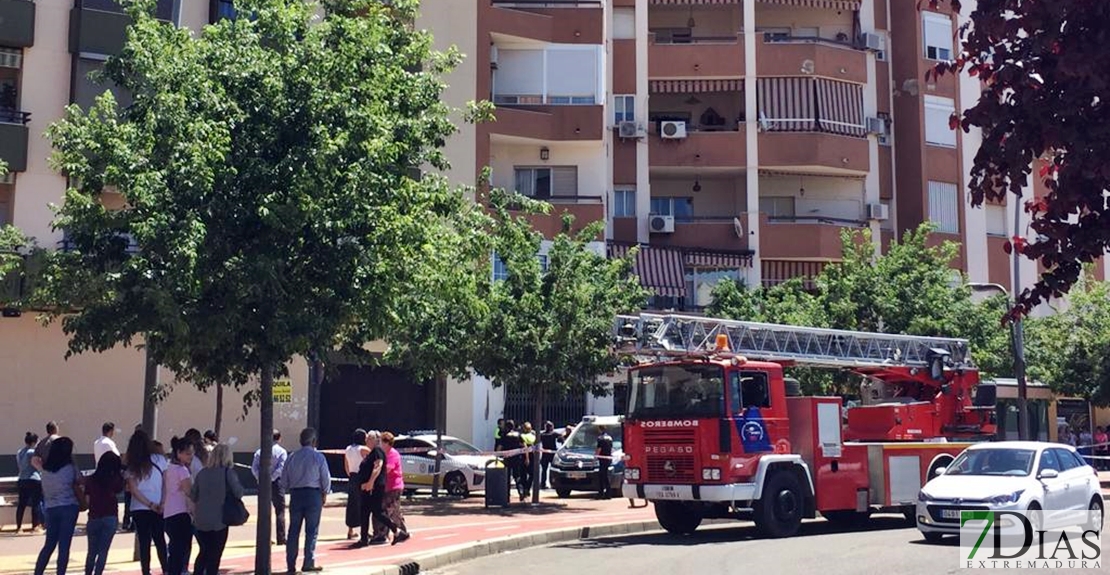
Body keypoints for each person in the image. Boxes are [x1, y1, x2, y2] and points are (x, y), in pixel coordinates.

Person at [281, 427, 331, 574]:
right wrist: (325, 493)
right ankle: (308, 561)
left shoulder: (292, 457)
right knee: (312, 530)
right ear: (314, 441)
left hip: (296, 494)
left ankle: (291, 564)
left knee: (293, 530)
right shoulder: (318, 457)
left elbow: (284, 480)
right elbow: (325, 479)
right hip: (313, 494)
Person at [34, 436, 83, 575]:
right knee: (64, 546)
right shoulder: (71, 468)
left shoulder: (45, 469)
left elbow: (35, 460)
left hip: (50, 507)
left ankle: (38, 572)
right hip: (69, 506)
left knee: (49, 544)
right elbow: (79, 481)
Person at [191, 444, 243, 575]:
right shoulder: (228, 472)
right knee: (215, 554)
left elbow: (193, 494)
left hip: (201, 519)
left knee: (204, 551)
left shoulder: (202, 473)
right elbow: (238, 492)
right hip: (219, 519)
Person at [125, 430, 168, 575]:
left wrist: (148, 504)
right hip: (158, 505)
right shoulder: (159, 460)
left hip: (139, 507)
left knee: (144, 541)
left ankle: (145, 571)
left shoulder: (132, 465)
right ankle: (166, 569)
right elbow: (165, 483)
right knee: (160, 539)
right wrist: (162, 503)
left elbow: (133, 490)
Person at [84, 451, 125, 575]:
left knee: (91, 551)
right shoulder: (116, 479)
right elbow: (120, 489)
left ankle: (88, 573)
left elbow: (87, 500)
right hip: (110, 516)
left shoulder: (91, 479)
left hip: (94, 516)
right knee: (103, 551)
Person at [354, 430, 393, 547]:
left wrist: (370, 482)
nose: (366, 440)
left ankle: (395, 529)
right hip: (366, 487)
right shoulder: (371, 453)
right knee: (365, 512)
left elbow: (378, 466)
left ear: (376, 440)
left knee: (376, 511)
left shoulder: (377, 451)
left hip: (373, 487)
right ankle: (364, 538)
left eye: (369, 438)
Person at [162, 437, 195, 575]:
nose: (190, 456)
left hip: (169, 512)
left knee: (175, 549)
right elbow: (189, 492)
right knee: (181, 550)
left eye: (192, 453)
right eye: (187, 453)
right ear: (179, 453)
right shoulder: (182, 471)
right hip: (181, 513)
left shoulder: (168, 468)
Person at [252, 429, 288, 546]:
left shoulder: (259, 451)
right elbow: (281, 468)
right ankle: (281, 537)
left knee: (264, 511)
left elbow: (254, 468)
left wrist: (261, 479)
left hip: (263, 483)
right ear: (279, 438)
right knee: (280, 511)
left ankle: (264, 538)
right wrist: (272, 478)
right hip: (277, 483)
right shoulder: (282, 452)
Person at [379, 432, 410, 545]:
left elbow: (388, 468)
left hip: (394, 486)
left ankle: (398, 531)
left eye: (382, 441)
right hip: (386, 486)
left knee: (390, 510)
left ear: (387, 443)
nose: (380, 444)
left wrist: (377, 470)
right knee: (390, 510)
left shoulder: (392, 454)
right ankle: (397, 532)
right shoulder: (383, 453)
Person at [343, 429, 369, 540]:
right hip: (361, 477)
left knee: (352, 504)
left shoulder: (348, 449)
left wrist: (350, 475)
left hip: (352, 477)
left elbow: (346, 465)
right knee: (363, 504)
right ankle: (365, 530)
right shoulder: (363, 449)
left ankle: (350, 530)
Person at [16, 431, 44, 533]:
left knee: (21, 504)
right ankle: (35, 526)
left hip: (22, 479)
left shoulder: (20, 452)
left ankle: (18, 527)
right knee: (35, 503)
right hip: (34, 479)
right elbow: (40, 463)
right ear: (34, 442)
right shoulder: (33, 452)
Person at [500, 421, 528, 502]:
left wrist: (497, 457)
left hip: (507, 459)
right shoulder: (518, 435)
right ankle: (521, 492)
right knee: (517, 476)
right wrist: (527, 458)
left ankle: (507, 496)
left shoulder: (504, 436)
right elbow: (525, 447)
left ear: (507, 427)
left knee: (507, 477)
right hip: (517, 459)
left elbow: (500, 447)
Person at [595, 426, 614, 500]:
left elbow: (599, 449)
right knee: (605, 476)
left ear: (600, 430)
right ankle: (608, 493)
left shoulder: (600, 438)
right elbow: (611, 449)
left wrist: (595, 457)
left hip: (602, 459)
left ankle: (601, 493)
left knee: (602, 476)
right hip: (608, 458)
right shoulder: (610, 438)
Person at [539, 421, 559, 490]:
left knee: (544, 470)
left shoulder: (542, 435)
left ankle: (543, 484)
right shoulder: (554, 434)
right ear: (551, 427)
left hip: (545, 454)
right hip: (552, 454)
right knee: (553, 469)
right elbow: (561, 437)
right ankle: (553, 483)